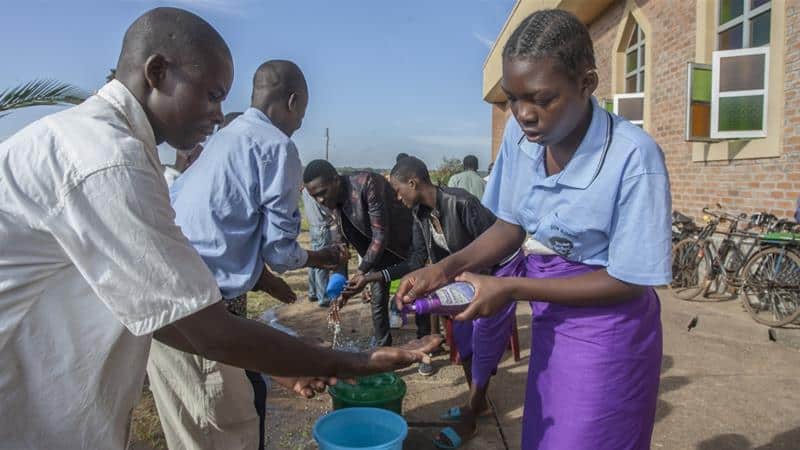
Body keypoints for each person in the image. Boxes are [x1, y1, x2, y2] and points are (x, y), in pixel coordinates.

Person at [0, 8, 439, 449]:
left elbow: (160, 310)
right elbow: (200, 324)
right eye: (211, 95)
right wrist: (356, 360)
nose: (217, 114)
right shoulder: (107, 162)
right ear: (156, 72)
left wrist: (282, 362)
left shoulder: (113, 145)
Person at [396, 9, 670, 450]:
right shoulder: (521, 140)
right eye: (512, 98)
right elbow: (511, 226)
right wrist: (445, 269)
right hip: (550, 317)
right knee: (544, 435)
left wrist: (512, 290)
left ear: (587, 83)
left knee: (586, 438)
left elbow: (629, 277)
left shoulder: (634, 158)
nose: (523, 114)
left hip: (608, 328)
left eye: (542, 99)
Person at [149, 60, 368, 450]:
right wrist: (322, 258)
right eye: (302, 111)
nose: (301, 121)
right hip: (199, 309)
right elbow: (280, 252)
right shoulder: (277, 146)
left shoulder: (224, 138)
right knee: (222, 431)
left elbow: (218, 231)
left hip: (176, 301)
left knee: (213, 424)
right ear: (293, 100)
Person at [346, 156, 525, 444]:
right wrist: (374, 277)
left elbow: (498, 244)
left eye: (397, 188)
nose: (396, 196)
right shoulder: (421, 214)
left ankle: (471, 418)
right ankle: (479, 405)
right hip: (466, 279)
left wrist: (473, 285)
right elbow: (417, 260)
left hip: (499, 274)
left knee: (483, 341)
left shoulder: (462, 203)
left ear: (413, 182)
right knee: (464, 339)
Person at [303, 160, 421, 347]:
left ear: (335, 180)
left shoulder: (366, 183)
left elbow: (380, 234)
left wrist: (361, 272)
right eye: (314, 196)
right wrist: (343, 291)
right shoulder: (333, 202)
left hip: (404, 245)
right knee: (377, 302)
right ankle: (384, 350)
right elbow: (341, 246)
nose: (320, 200)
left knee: (416, 292)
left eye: (322, 193)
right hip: (375, 254)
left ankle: (426, 341)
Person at [302, 188, 339, 306]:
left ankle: (313, 292)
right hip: (322, 227)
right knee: (322, 262)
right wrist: (334, 214)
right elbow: (324, 207)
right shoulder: (315, 192)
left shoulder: (305, 190)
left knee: (313, 261)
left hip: (313, 227)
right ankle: (323, 297)